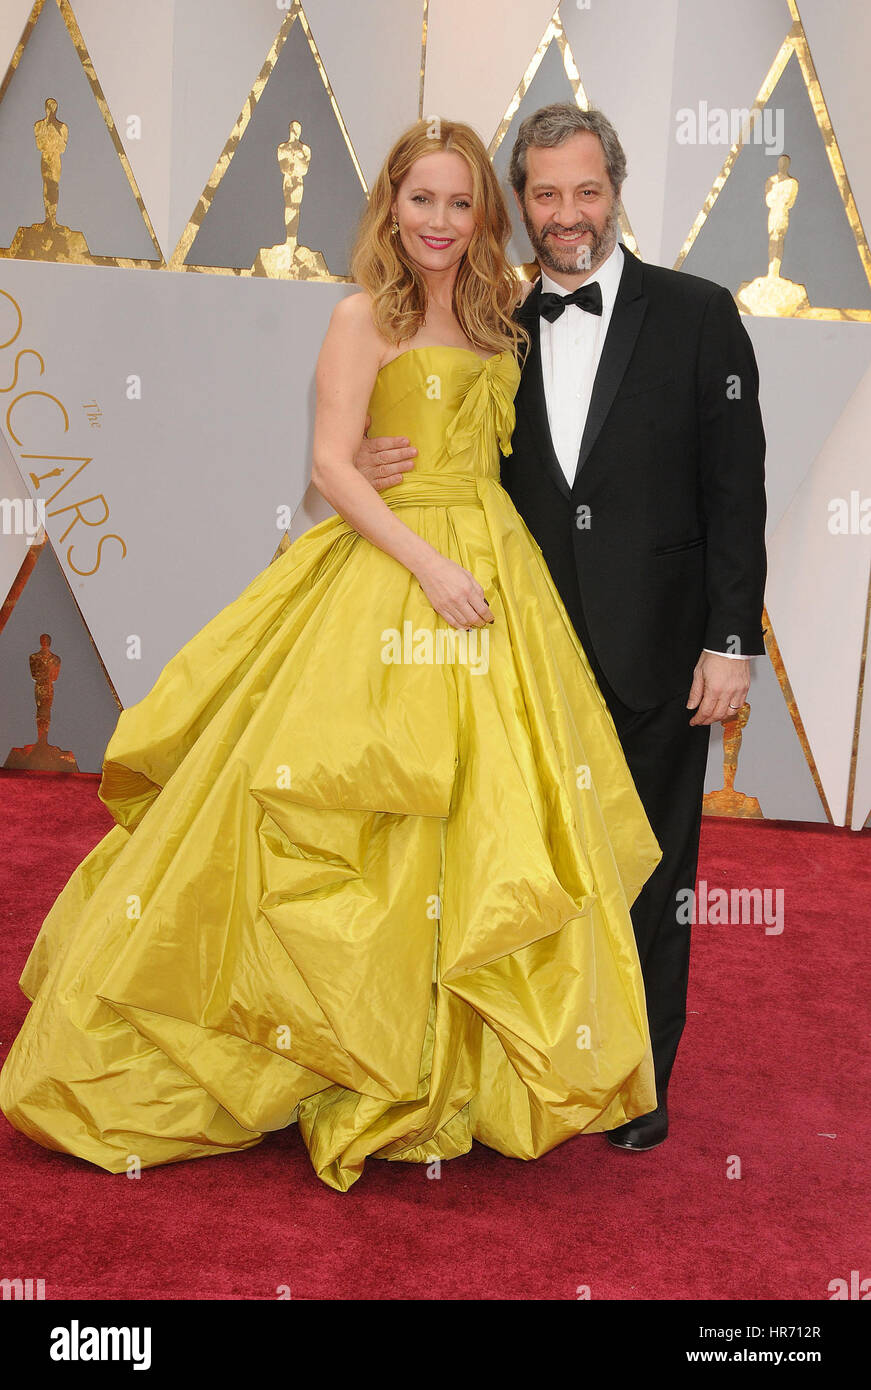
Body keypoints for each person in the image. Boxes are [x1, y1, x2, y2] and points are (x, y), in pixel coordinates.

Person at [0, 119, 662, 1193]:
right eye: (421, 201)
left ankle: (437, 1063)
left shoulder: (504, 314)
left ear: (480, 215)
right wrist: (424, 561)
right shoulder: (363, 315)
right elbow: (327, 466)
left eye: (458, 203)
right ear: (390, 208)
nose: (439, 222)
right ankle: (320, 1051)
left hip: (496, 577)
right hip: (396, 576)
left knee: (481, 825)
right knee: (356, 812)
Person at [355, 105, 767, 1152]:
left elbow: (735, 492)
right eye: (544, 193)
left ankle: (633, 1084)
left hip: (658, 652)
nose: (567, 213)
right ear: (520, 201)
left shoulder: (698, 315)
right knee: (515, 871)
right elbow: (441, 459)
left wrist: (731, 640)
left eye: (586, 190)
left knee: (650, 871)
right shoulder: (490, 321)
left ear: (614, 189)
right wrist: (366, 468)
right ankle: (519, 1070)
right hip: (518, 656)